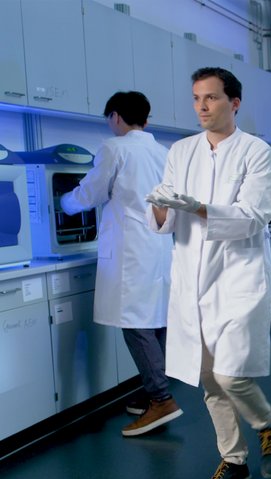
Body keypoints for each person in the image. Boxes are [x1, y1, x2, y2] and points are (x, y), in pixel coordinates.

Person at [146, 67, 271, 479]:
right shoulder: (181, 151)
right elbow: (166, 218)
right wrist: (160, 206)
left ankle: (266, 425)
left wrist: (199, 207)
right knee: (207, 378)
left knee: (231, 374)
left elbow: (253, 217)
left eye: (211, 97)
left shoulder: (256, 153)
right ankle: (234, 461)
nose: (202, 106)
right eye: (196, 98)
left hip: (238, 276)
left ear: (234, 103)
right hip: (192, 277)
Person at [59, 91, 178, 437]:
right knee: (156, 322)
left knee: (136, 326)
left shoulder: (115, 148)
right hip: (158, 248)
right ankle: (152, 392)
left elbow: (90, 193)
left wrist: (62, 203)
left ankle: (161, 399)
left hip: (131, 253)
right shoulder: (163, 153)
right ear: (147, 118)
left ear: (115, 116)